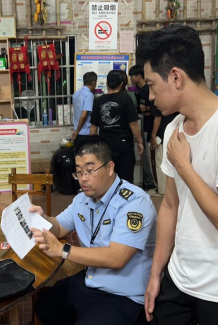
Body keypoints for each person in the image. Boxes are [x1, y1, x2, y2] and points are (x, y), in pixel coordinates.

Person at [138, 25, 218, 325]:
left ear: (176, 77)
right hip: (180, 279)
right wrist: (156, 274)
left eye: (153, 85)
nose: (150, 96)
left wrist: (184, 167)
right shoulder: (173, 130)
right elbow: (170, 205)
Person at [32, 135, 156, 325]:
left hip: (123, 296)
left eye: (90, 170)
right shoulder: (82, 199)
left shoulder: (134, 202)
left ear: (110, 167)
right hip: (91, 280)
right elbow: (58, 227)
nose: (83, 179)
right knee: (44, 306)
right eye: (79, 172)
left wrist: (62, 250)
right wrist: (43, 220)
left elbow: (117, 258)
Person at [90, 70, 144, 184]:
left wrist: (93, 145)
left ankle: (108, 200)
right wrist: (140, 141)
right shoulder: (126, 99)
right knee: (125, 178)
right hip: (123, 143)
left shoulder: (98, 101)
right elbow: (133, 123)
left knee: (107, 177)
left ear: (107, 83)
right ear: (121, 84)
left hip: (104, 144)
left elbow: (94, 126)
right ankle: (124, 200)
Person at [129, 65, 157, 191]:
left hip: (148, 126)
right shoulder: (138, 91)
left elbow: (154, 110)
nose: (130, 79)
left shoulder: (147, 90)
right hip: (142, 125)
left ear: (138, 76)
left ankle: (150, 181)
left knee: (145, 155)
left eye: (132, 76)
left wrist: (145, 111)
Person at [150, 104, 179, 195]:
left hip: (161, 135)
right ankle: (172, 190)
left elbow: (158, 118)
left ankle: (162, 189)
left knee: (160, 163)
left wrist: (153, 135)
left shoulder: (158, 100)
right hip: (173, 134)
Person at [72, 72, 97, 147]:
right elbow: (83, 115)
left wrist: (76, 131)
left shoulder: (76, 94)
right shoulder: (89, 95)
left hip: (78, 133)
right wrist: (77, 131)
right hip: (85, 133)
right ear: (94, 82)